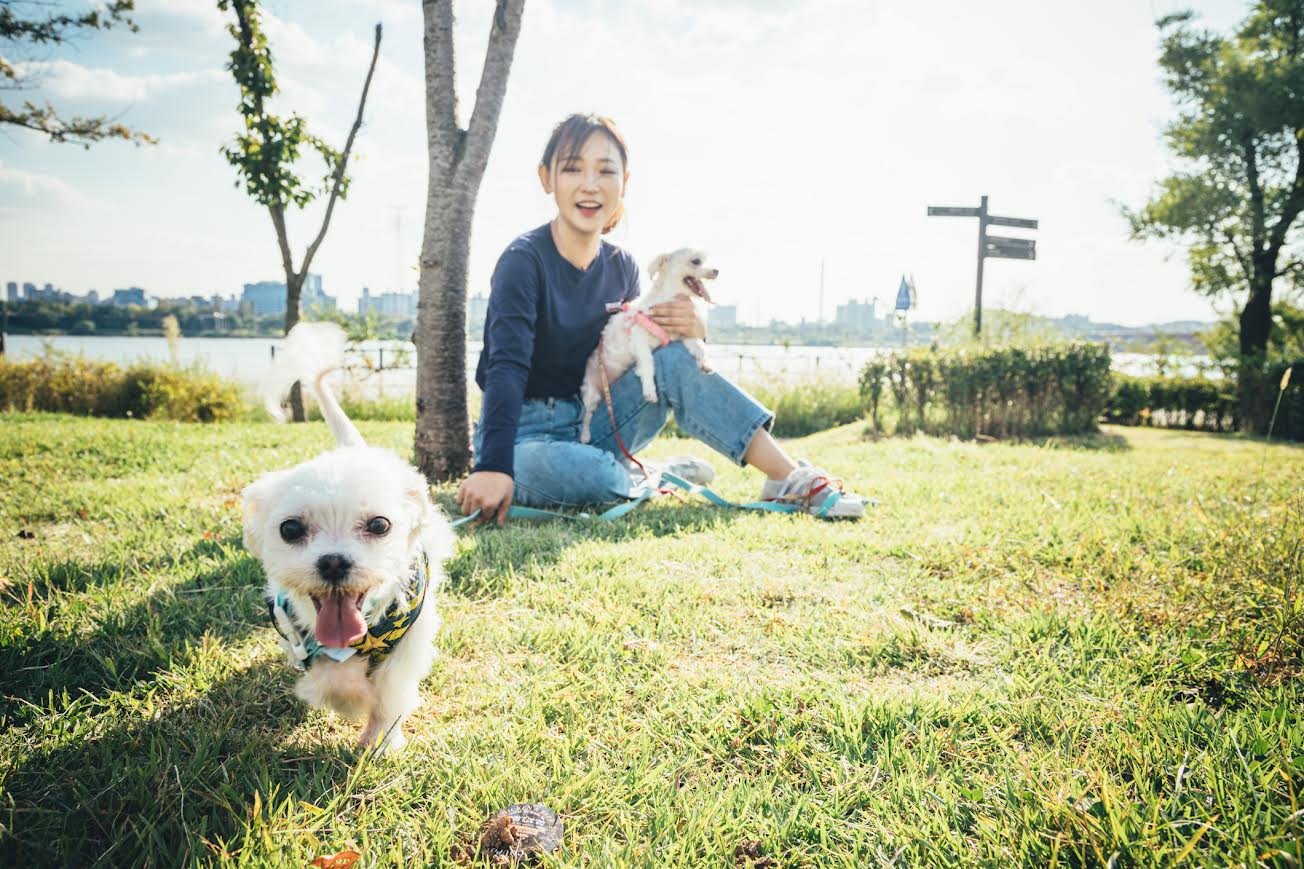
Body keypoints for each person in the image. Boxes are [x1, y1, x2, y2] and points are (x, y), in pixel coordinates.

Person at [455, 113, 868, 526]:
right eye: (572, 168)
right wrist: (492, 465)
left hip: (598, 420)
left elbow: (658, 355)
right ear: (547, 178)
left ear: (625, 183)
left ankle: (789, 477)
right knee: (594, 475)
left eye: (605, 170)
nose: (590, 184)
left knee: (669, 359)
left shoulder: (624, 268)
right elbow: (505, 367)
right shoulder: (523, 261)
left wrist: (695, 326)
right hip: (526, 436)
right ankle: (651, 474)